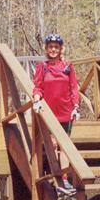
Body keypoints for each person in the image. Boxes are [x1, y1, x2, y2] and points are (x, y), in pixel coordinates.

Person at [32, 33, 80, 189]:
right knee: (52, 145)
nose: (53, 49)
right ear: (46, 48)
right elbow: (38, 86)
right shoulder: (43, 67)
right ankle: (55, 177)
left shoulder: (68, 66)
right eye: (50, 46)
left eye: (56, 47)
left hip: (66, 113)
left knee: (64, 146)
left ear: (60, 49)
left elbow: (73, 88)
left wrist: (76, 107)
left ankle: (64, 178)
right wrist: (37, 98)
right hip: (49, 113)